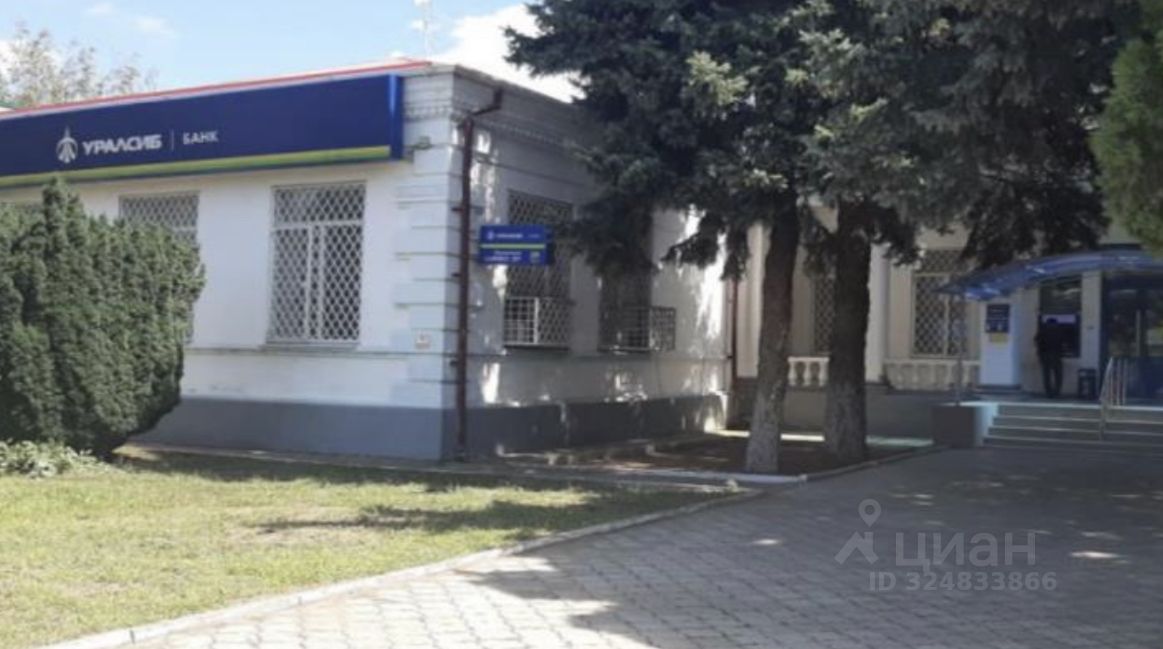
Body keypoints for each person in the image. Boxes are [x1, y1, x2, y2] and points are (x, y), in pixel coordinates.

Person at [1035, 317, 1066, 398]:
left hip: (1045, 355)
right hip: (1056, 355)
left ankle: (1048, 392)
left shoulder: (1042, 331)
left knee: (1046, 375)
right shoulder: (1059, 331)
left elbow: (1036, 341)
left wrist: (1040, 353)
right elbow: (1064, 343)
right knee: (1058, 375)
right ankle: (1057, 392)